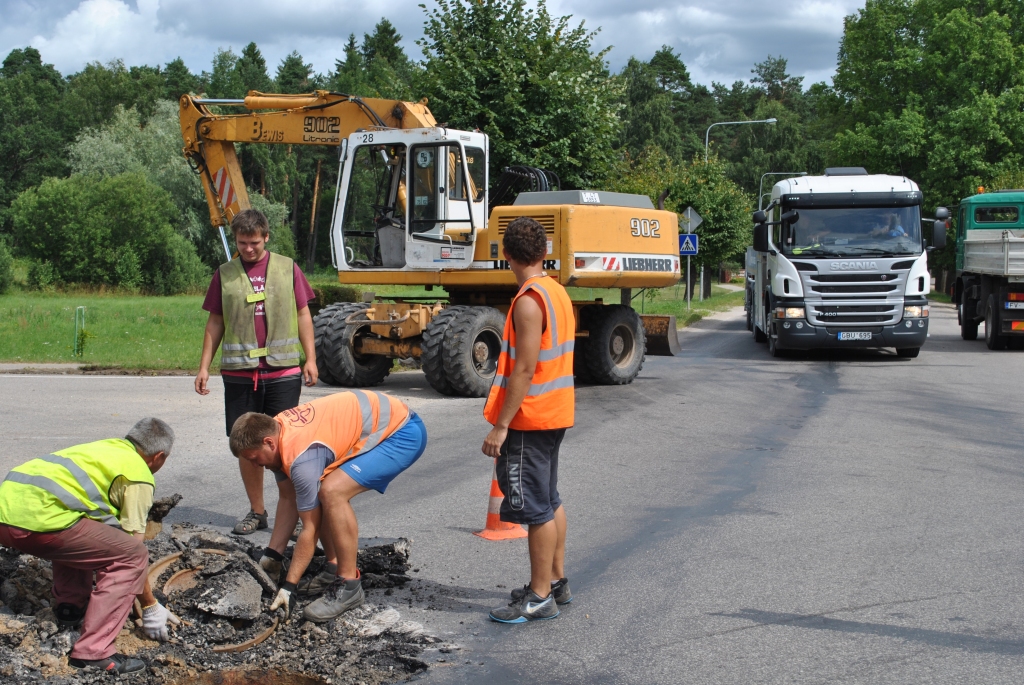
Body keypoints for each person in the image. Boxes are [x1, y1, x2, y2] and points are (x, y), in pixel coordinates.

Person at [229, 390, 427, 623]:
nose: (256, 466)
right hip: (382, 420)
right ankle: (333, 567)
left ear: (268, 443)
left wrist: (289, 587)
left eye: (254, 459)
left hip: (402, 432)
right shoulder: (276, 431)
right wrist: (272, 557)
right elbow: (288, 498)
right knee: (318, 491)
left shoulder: (300, 458)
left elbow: (309, 529)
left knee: (332, 492)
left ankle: (349, 586)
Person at [0, 418, 178, 676]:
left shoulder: (104, 449)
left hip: (6, 516)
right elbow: (130, 552)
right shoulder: (137, 472)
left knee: (85, 533)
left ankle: (70, 610)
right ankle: (94, 653)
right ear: (158, 456)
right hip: (37, 524)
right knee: (132, 555)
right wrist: (150, 606)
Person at [195, 209, 319, 536]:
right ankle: (258, 511)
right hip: (239, 374)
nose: (248, 249)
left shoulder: (287, 268)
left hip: (282, 372)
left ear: (265, 237)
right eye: (241, 243)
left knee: (285, 445)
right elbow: (215, 322)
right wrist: (204, 366)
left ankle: (290, 514)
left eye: (253, 242)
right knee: (247, 443)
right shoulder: (225, 274)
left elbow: (304, 314)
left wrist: (311, 359)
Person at [481, 216, 575, 624]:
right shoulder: (556, 292)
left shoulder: (528, 300)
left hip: (529, 420)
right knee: (549, 500)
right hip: (554, 413)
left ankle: (539, 596)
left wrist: (501, 425)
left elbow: (523, 369)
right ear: (545, 252)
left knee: (535, 508)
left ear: (506, 255)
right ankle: (554, 582)